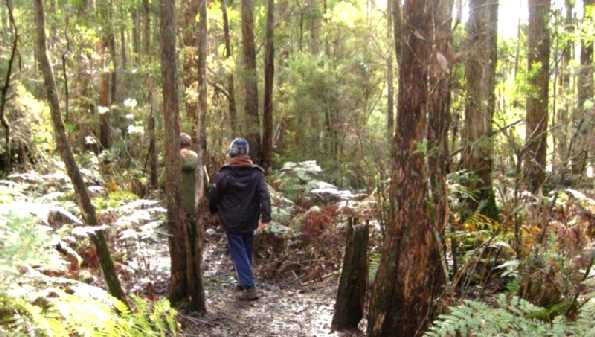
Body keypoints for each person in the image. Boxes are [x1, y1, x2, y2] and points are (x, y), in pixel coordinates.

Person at [208, 138, 271, 301]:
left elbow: (214, 196)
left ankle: (249, 286)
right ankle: (244, 282)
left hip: (231, 221)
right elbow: (264, 196)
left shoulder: (224, 174)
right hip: (250, 220)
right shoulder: (256, 174)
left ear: (232, 153)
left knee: (238, 252)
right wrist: (266, 218)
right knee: (246, 250)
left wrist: (213, 211)